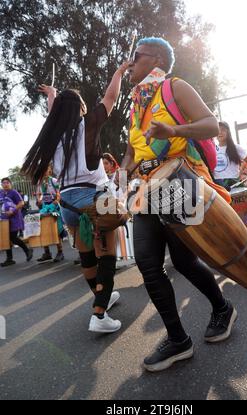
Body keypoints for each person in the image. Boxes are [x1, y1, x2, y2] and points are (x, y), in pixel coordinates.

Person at [120, 37, 237, 373]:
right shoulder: (137, 103)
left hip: (177, 178)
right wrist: (125, 173)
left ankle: (222, 307)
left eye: (135, 56)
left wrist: (172, 128)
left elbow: (211, 125)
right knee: (147, 262)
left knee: (184, 262)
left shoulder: (174, 87)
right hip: (145, 188)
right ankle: (177, 339)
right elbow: (131, 149)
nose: (129, 63)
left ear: (155, 59)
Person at [21, 62, 130, 333]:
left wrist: (52, 96)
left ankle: (102, 297)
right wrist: (118, 73)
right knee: (107, 255)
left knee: (87, 258)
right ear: (80, 108)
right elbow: (111, 98)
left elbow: (52, 113)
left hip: (67, 203)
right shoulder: (87, 125)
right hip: (96, 197)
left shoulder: (54, 135)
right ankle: (99, 315)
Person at [214, 123, 247, 257]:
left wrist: (243, 174)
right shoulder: (211, 148)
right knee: (226, 221)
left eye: (223, 130)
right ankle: (240, 249)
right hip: (219, 187)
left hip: (236, 186)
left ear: (228, 132)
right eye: (217, 130)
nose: (220, 132)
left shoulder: (236, 148)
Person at [0, 178, 33, 267]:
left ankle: (27, 250)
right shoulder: (1, 193)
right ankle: (9, 259)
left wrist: (13, 210)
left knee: (13, 237)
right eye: (3, 183)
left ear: (10, 184)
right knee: (6, 238)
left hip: (14, 218)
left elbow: (21, 203)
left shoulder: (14, 192)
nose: (5, 184)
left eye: (7, 183)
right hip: (4, 219)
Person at [36, 165, 65, 263]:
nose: (44, 171)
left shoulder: (54, 181)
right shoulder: (39, 183)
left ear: (50, 170)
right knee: (43, 228)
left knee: (56, 229)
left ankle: (60, 252)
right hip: (44, 208)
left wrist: (55, 202)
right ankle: (47, 252)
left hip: (54, 207)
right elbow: (40, 195)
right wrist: (39, 201)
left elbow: (58, 194)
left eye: (46, 169)